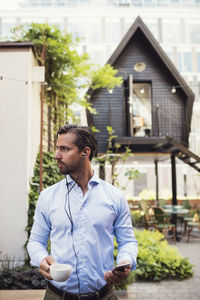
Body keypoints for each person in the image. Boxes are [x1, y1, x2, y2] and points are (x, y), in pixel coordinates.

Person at [27, 124, 138, 300]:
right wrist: (40, 258)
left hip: (104, 296)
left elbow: (128, 241)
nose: (56, 155)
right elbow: (35, 242)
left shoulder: (115, 197)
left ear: (85, 152)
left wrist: (125, 262)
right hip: (56, 296)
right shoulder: (47, 197)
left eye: (65, 149)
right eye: (57, 148)